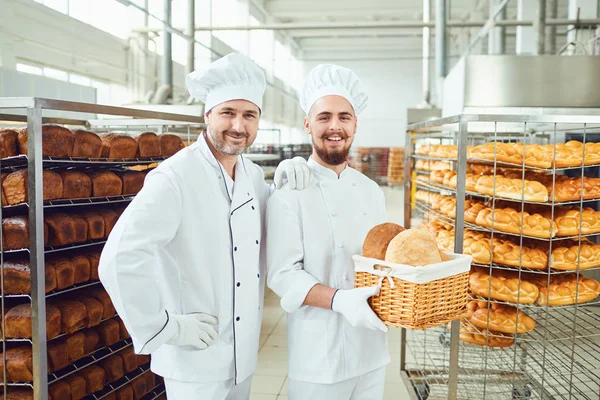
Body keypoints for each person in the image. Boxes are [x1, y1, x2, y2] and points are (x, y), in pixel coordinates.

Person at [98, 52, 310, 400]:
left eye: (249, 115)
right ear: (208, 114)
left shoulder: (253, 176)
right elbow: (119, 258)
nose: (238, 126)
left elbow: (265, 234)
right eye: (228, 113)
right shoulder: (175, 176)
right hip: (194, 357)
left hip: (242, 355)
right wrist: (165, 327)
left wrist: (284, 180)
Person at [266, 64, 389, 399]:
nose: (334, 126)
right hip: (318, 356)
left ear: (355, 124)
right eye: (324, 117)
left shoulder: (371, 191)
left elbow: (382, 261)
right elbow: (282, 275)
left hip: (372, 348)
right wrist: (338, 300)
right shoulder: (289, 191)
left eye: (344, 117)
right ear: (307, 124)